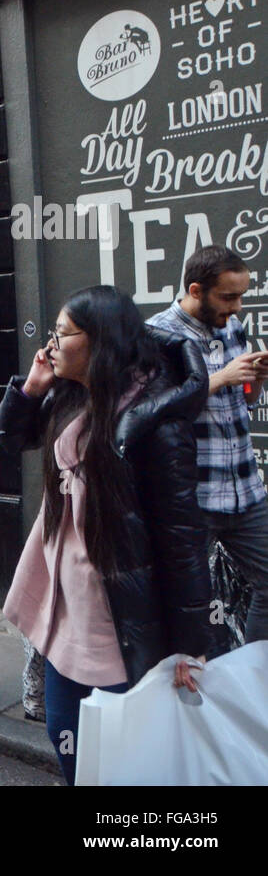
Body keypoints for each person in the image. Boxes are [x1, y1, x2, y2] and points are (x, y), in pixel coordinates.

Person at [0, 285, 217, 784]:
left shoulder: (155, 421)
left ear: (98, 342)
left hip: (116, 609)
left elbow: (181, 536)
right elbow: (11, 438)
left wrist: (189, 643)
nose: (50, 342)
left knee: (118, 756)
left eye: (62, 332)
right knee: (64, 733)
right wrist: (31, 388)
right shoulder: (73, 391)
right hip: (64, 594)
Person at [147, 246, 268, 644]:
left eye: (240, 296)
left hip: (246, 491)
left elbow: (244, 398)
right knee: (180, 602)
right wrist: (220, 378)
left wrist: (256, 378)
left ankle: (253, 682)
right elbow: (155, 411)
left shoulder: (231, 326)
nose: (236, 307)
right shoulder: (158, 334)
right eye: (228, 297)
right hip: (191, 499)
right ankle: (181, 693)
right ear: (196, 290)